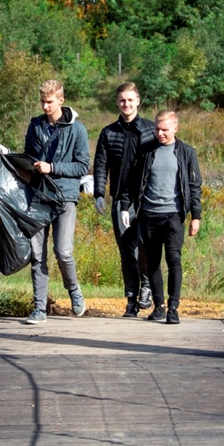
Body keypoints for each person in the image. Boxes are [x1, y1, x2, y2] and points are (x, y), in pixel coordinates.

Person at [119, 110, 202, 325]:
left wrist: (196, 216)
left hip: (173, 215)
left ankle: (173, 308)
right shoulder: (146, 151)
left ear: (175, 128)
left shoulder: (186, 152)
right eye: (157, 129)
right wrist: (125, 207)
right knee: (152, 262)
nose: (160, 133)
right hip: (149, 214)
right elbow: (130, 180)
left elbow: (194, 187)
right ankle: (159, 307)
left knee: (173, 259)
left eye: (164, 129)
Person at [23, 79, 90, 325]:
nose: (45, 106)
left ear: (61, 100)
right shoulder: (35, 126)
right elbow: (29, 156)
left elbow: (83, 166)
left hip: (65, 197)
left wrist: (52, 167)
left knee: (63, 251)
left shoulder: (78, 130)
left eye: (49, 102)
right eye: (42, 101)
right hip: (39, 196)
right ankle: (39, 308)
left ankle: (74, 291)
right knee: (37, 255)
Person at [93, 82, 156, 318]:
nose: (126, 104)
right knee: (127, 252)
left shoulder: (151, 130)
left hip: (147, 200)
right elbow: (100, 165)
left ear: (138, 101)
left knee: (146, 249)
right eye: (122, 100)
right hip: (120, 200)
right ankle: (131, 300)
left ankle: (147, 287)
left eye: (130, 100)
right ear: (117, 102)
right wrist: (99, 193)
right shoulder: (108, 133)